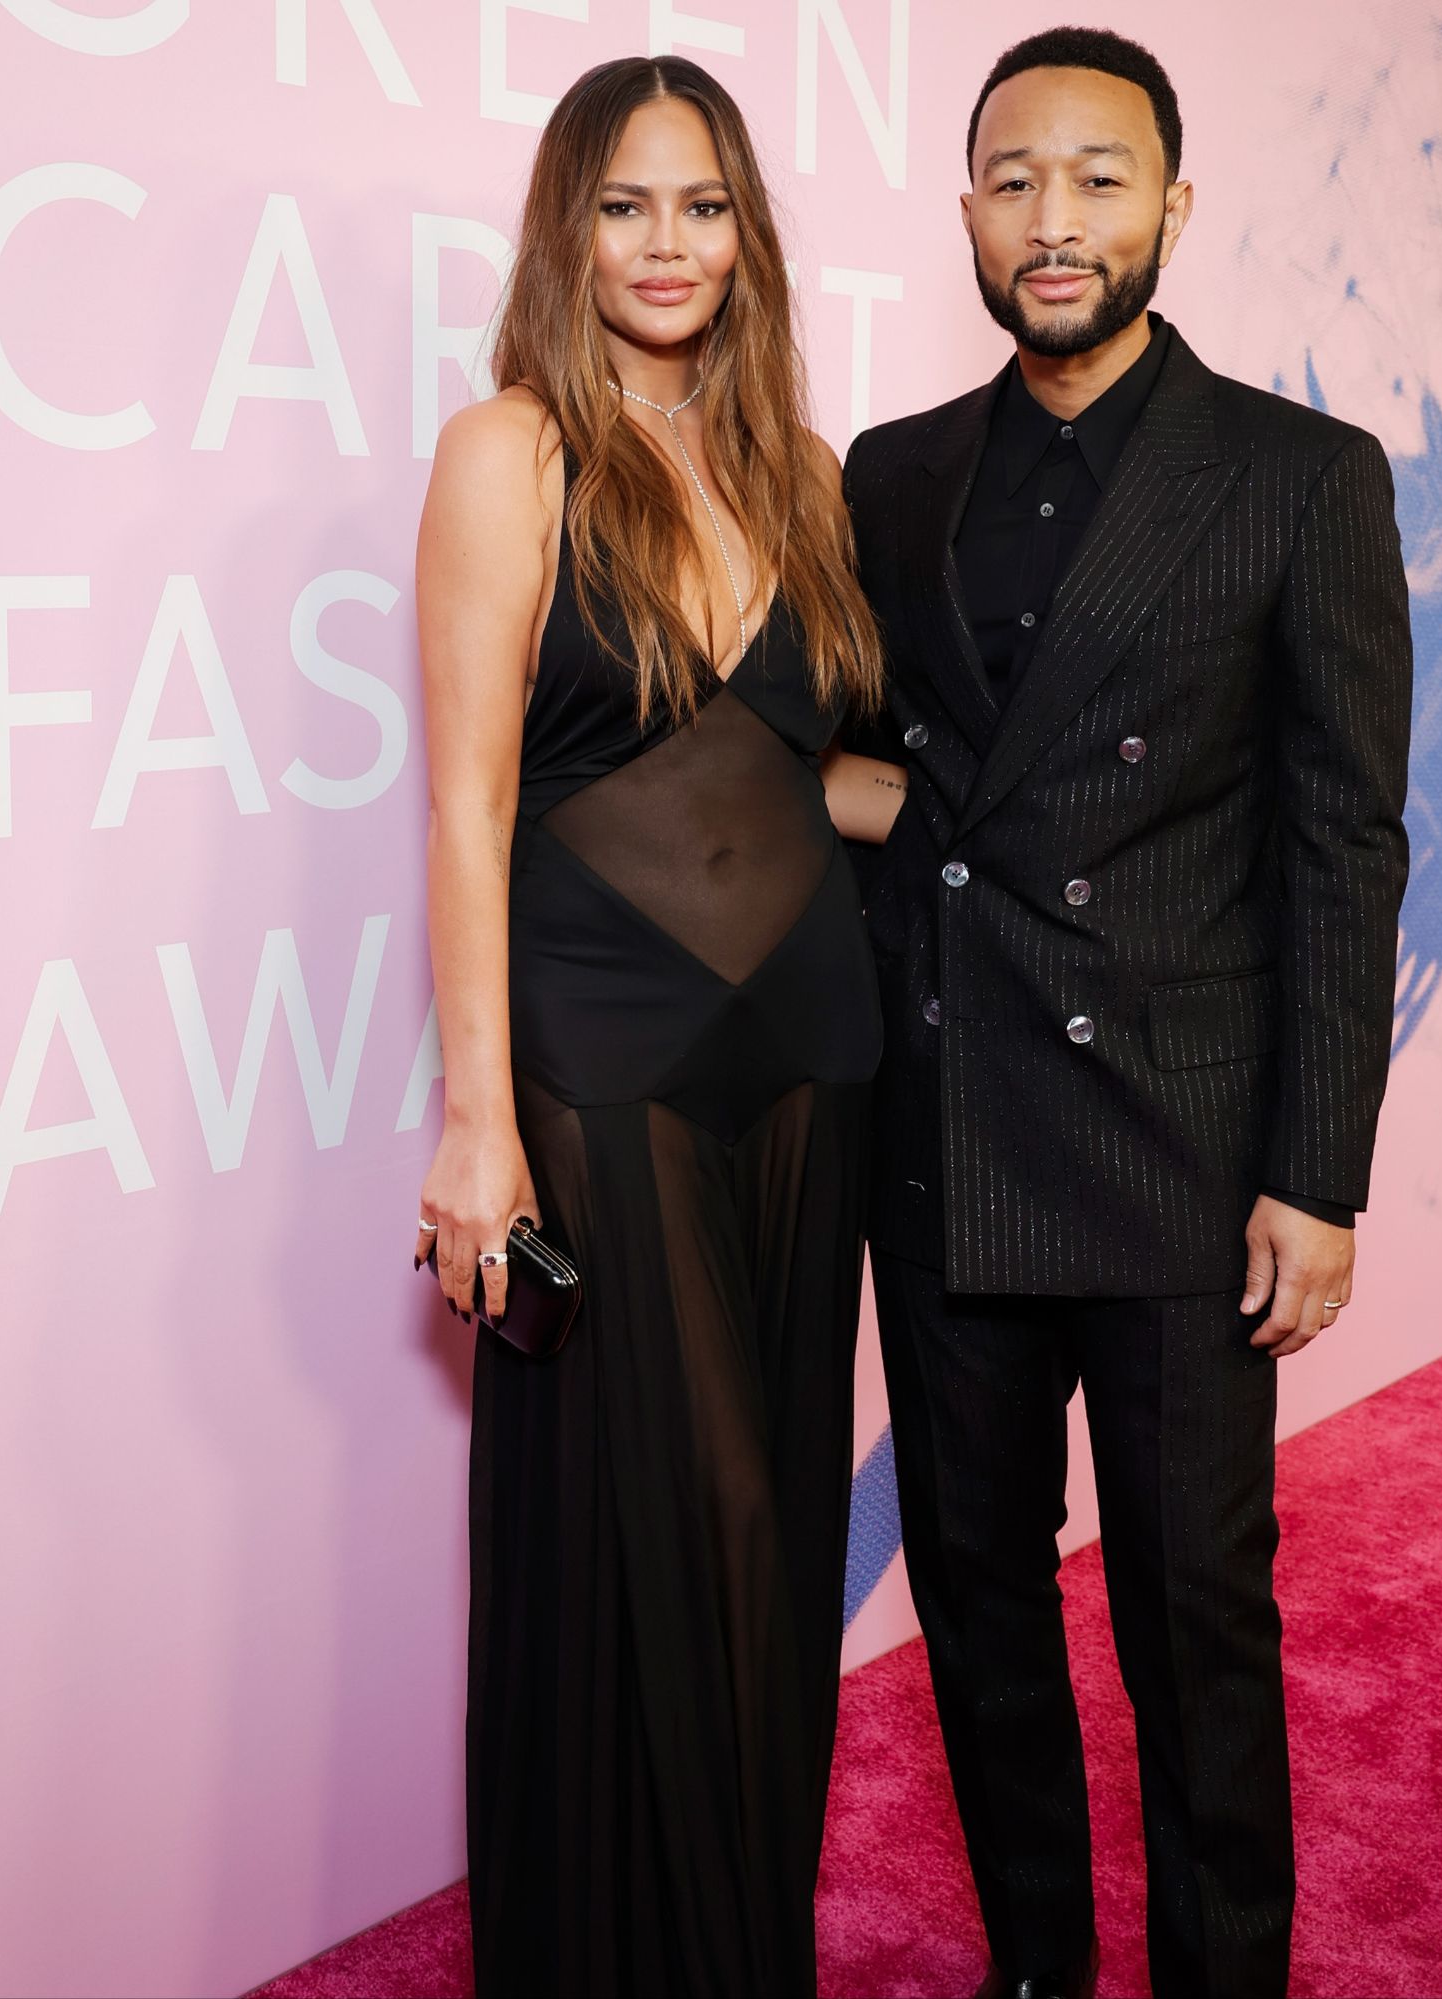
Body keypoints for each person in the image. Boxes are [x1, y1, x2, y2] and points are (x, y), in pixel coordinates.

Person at [842, 27, 1414, 1999]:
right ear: (969, 214)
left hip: (1176, 1153)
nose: (1053, 219)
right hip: (945, 1135)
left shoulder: (1297, 476)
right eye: (1014, 180)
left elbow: (1344, 842)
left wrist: (1315, 1173)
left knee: (1191, 1618)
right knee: (984, 1609)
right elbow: (880, 771)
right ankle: (1032, 1971)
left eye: (1097, 177)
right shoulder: (893, 474)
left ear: (1173, 202)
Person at [409, 54, 905, 1999]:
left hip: (811, 1053)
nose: (668, 242)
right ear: (567, 228)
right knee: (663, 1525)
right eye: (626, 205)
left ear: (744, 231)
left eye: (700, 204)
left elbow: (800, 775)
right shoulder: (509, 451)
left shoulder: (793, 462)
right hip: (600, 1065)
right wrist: (477, 1120)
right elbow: (466, 795)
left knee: (774, 1534)